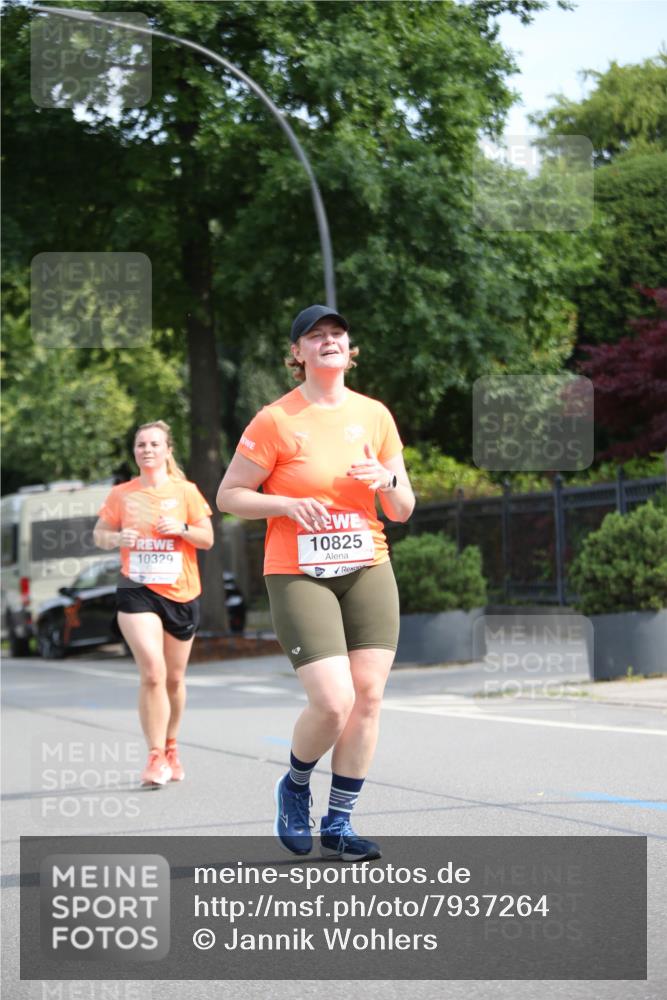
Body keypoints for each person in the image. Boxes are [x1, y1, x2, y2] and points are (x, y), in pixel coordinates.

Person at [217, 305, 415, 860]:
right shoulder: (275, 420)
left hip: (367, 563)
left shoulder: (375, 415)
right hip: (298, 570)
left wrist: (387, 479)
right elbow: (229, 496)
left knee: (368, 698)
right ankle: (296, 784)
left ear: (349, 349)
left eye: (337, 334)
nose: (328, 341)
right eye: (315, 336)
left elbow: (402, 508)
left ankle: (341, 823)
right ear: (297, 353)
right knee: (333, 702)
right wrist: (285, 502)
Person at [94, 420, 213, 786]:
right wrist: (117, 539)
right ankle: (155, 757)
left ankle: (172, 746)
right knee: (153, 672)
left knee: (175, 679)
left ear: (167, 450)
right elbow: (99, 536)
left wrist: (180, 530)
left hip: (180, 592)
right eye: (141, 444)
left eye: (153, 444)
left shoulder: (186, 491)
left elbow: (207, 539)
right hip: (137, 589)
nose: (146, 449)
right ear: (135, 451)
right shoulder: (122, 494)